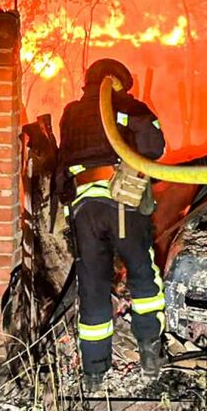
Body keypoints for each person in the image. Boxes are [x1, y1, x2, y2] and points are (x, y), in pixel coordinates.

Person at [57, 58, 167, 391]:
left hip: (83, 207)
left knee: (92, 285)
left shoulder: (71, 113)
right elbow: (154, 149)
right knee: (142, 275)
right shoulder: (130, 107)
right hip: (122, 202)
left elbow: (63, 161)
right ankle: (150, 353)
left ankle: (93, 372)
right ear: (120, 82)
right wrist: (132, 120)